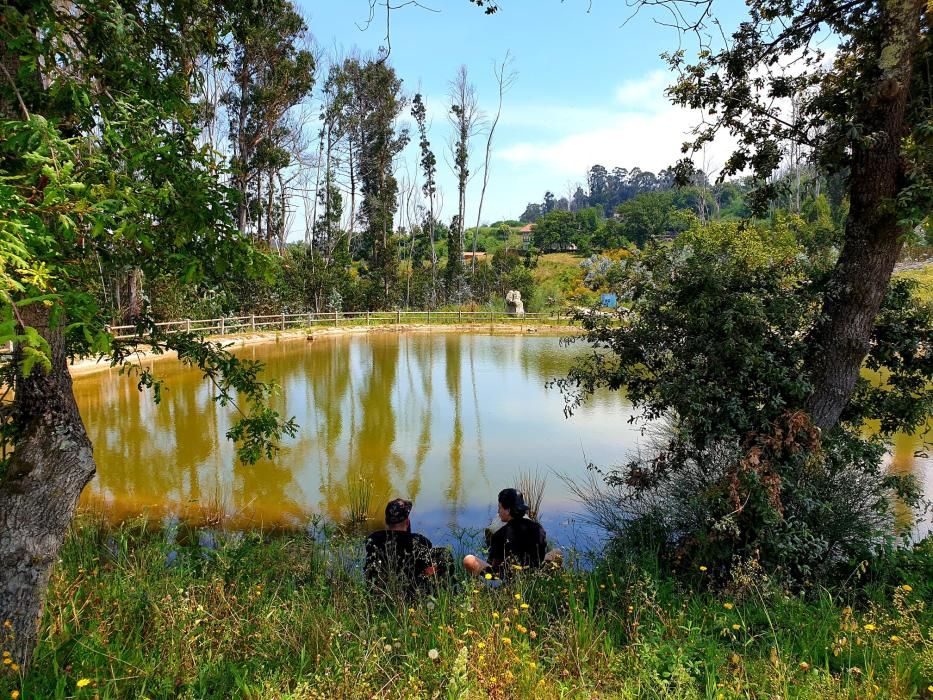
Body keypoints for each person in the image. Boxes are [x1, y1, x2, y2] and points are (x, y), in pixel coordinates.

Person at [364, 498, 448, 595]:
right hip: (411, 593)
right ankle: (445, 594)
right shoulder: (419, 541)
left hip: (381, 593)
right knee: (444, 556)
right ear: (407, 522)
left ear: (386, 522)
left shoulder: (373, 540)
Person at [463, 488, 548, 579]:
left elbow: (496, 566)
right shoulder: (538, 528)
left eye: (500, 508)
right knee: (557, 552)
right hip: (535, 575)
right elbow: (541, 554)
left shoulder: (500, 535)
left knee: (468, 560)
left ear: (508, 510)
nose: (498, 511)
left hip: (509, 580)